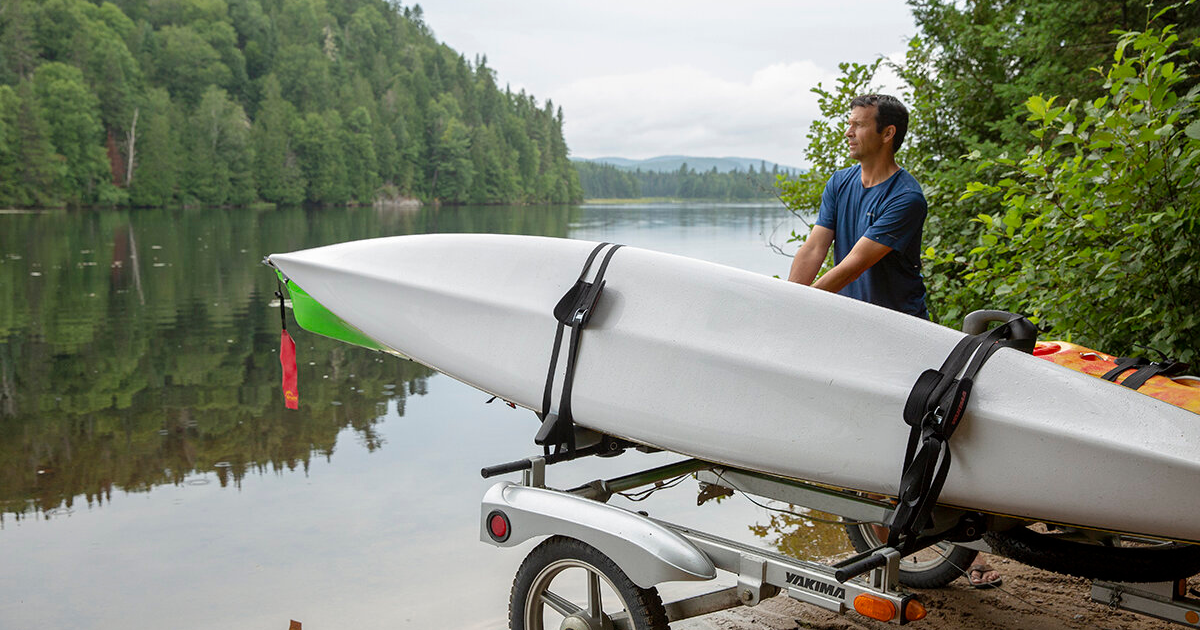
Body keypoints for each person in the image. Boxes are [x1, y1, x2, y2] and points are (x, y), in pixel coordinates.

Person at [787, 94, 1002, 589]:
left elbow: (853, 264)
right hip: (854, 332)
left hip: (901, 334)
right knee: (868, 437)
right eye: (849, 124)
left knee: (920, 441)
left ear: (887, 133)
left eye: (859, 126)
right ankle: (892, 533)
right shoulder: (840, 182)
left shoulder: (906, 197)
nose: (848, 133)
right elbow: (816, 246)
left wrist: (808, 304)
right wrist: (787, 301)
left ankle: (973, 552)